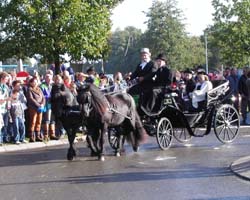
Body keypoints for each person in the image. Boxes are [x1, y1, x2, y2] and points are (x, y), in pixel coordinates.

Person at [40, 72, 58, 141]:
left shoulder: (53, 85)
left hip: (53, 104)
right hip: (47, 104)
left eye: (49, 78)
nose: (48, 79)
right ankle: (46, 134)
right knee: (47, 119)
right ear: (45, 78)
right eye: (47, 78)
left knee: (53, 119)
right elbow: (42, 94)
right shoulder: (42, 85)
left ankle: (52, 134)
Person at [27, 77, 46, 142]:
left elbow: (43, 97)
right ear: (31, 83)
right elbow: (31, 98)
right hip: (33, 108)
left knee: (39, 121)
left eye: (36, 82)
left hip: (40, 107)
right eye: (33, 82)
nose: (35, 83)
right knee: (33, 121)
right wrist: (38, 104)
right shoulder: (29, 89)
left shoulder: (39, 89)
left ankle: (37, 135)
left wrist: (42, 104)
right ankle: (31, 136)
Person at [9, 80, 28, 144]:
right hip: (14, 110)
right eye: (17, 85)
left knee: (22, 125)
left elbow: (24, 100)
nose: (19, 87)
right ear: (14, 86)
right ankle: (16, 139)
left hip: (20, 109)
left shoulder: (21, 92)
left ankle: (22, 138)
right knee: (15, 125)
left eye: (19, 85)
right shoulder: (11, 92)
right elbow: (9, 101)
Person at [0, 72, 10, 145]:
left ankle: (3, 139)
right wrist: (6, 99)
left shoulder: (6, 87)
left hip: (5, 108)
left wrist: (8, 101)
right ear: (2, 79)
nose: (7, 81)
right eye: (6, 79)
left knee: (4, 124)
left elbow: (8, 96)